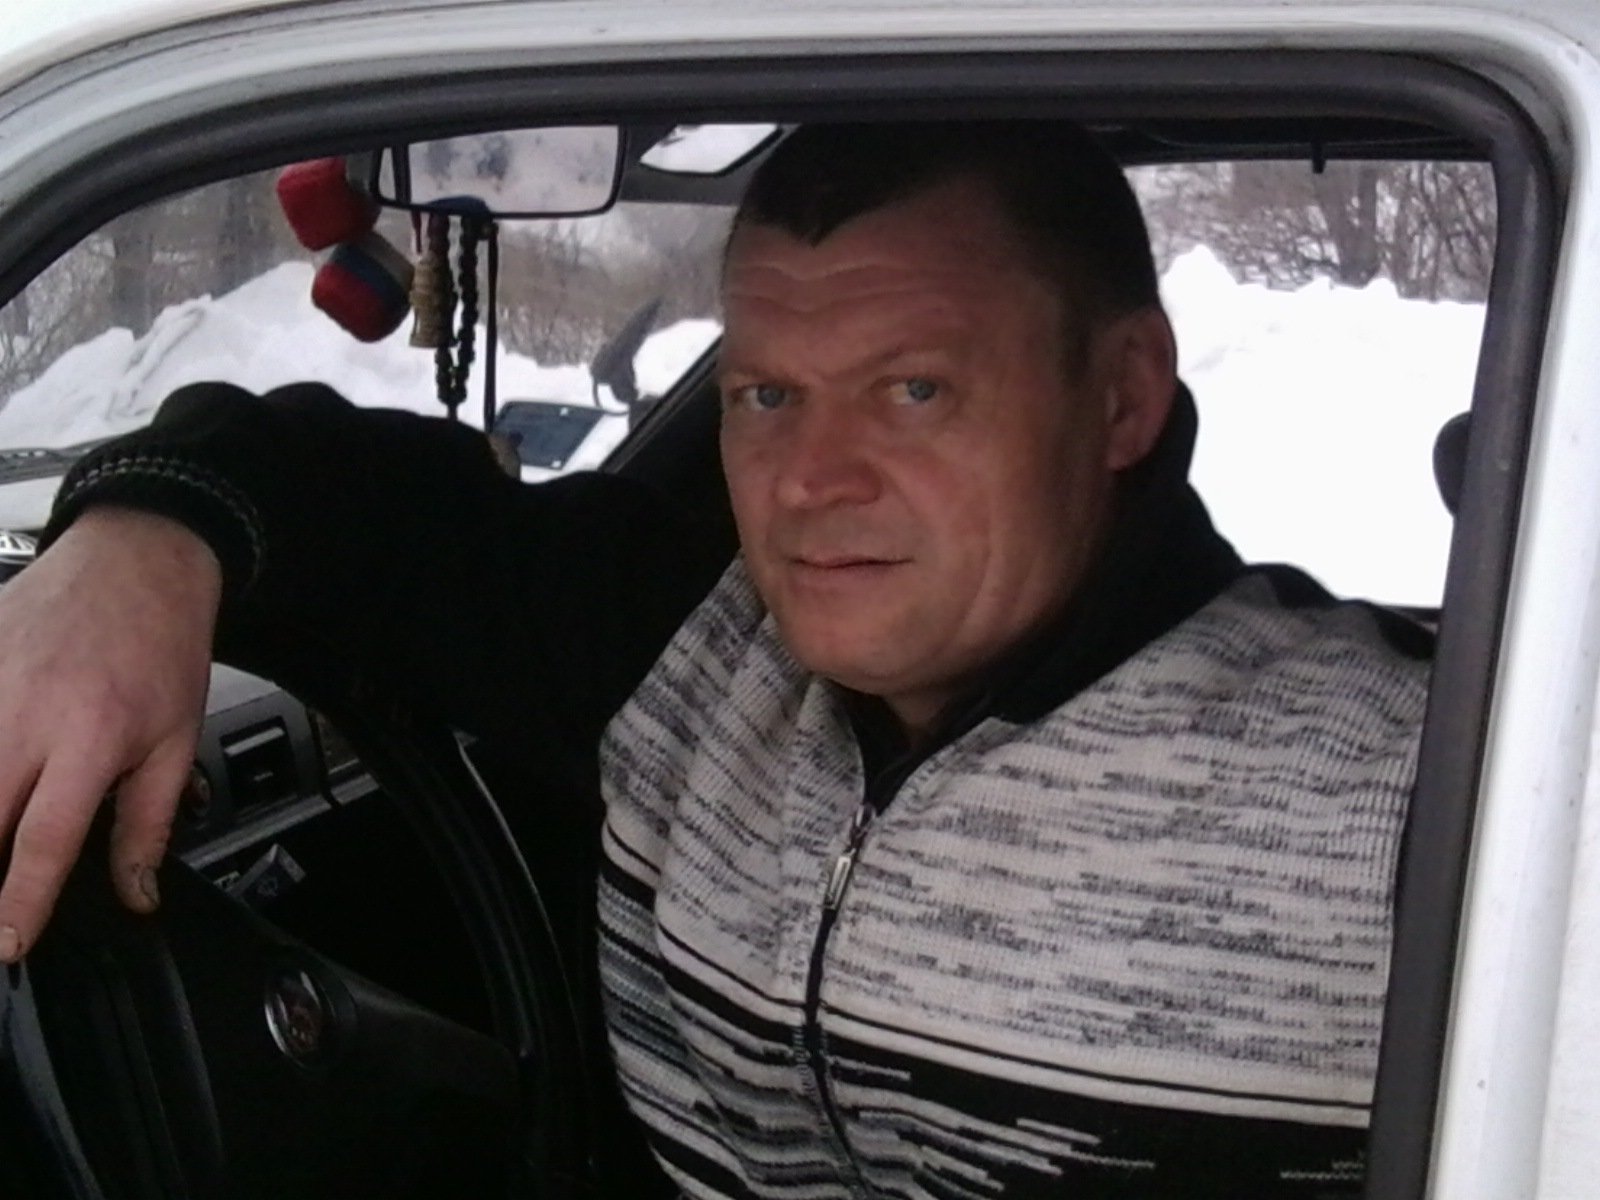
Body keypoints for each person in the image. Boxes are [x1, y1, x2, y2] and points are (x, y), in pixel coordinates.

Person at [0, 121, 1431, 1198]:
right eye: (767, 395)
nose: (810, 481)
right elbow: (357, 499)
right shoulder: (692, 645)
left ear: (1121, 396)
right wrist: (145, 544)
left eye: (914, 389)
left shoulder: (1409, 797)